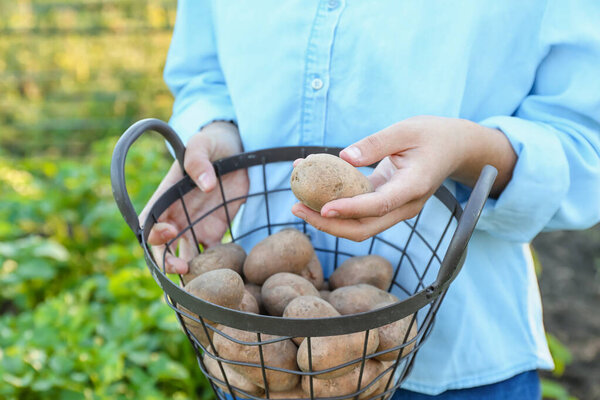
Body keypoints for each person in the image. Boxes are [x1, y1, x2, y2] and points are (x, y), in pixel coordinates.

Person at [141, 1, 600, 398]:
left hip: (461, 366)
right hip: (257, 366)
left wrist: (468, 150)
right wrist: (217, 131)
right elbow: (204, 76)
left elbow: (585, 147)